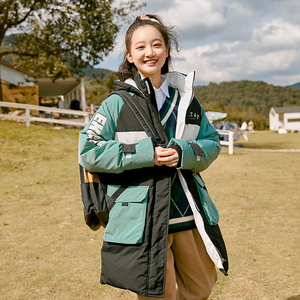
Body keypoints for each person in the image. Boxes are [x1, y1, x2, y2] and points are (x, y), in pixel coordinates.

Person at [78, 14, 228, 300]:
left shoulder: (187, 101)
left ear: (167, 50)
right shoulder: (115, 104)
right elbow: (88, 150)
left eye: (157, 45)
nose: (150, 52)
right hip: (143, 219)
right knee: (156, 295)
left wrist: (185, 153)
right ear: (130, 56)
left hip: (186, 211)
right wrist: (145, 154)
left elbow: (211, 142)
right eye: (141, 47)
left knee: (201, 287)